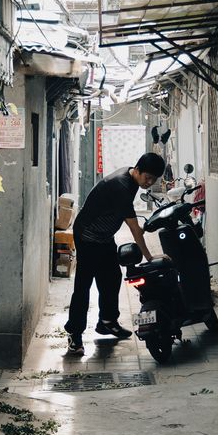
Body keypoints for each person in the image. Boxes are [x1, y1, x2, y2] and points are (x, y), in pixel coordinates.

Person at [65, 152, 166, 355]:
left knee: (112, 277)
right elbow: (134, 228)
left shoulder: (131, 178)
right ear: (137, 170)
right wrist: (150, 257)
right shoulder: (121, 186)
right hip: (88, 236)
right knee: (84, 285)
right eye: (148, 178)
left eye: (153, 180)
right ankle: (74, 334)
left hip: (104, 236)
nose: (149, 183)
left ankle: (107, 322)